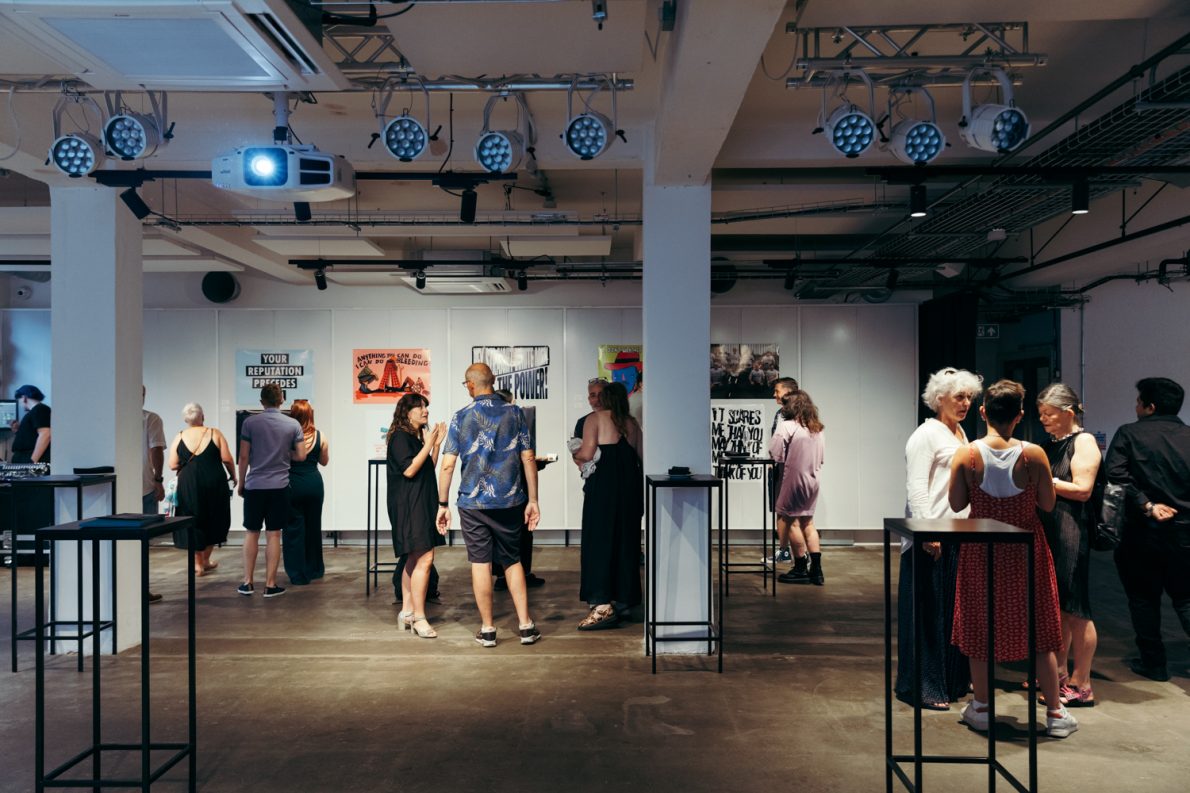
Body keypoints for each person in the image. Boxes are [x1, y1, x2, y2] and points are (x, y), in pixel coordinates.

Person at [947, 379, 1077, 739]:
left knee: (979, 626)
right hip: (1025, 550)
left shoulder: (968, 454)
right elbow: (1048, 504)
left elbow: (957, 504)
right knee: (1040, 632)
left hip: (981, 550)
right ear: (1020, 415)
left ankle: (983, 709)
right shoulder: (1033, 454)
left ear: (984, 412)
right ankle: (1054, 713)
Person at [437, 363, 541, 647]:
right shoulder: (515, 413)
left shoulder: (461, 417)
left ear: (470, 385)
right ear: (492, 382)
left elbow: (447, 466)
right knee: (512, 560)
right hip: (509, 500)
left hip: (473, 503)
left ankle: (488, 629)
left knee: (480, 562)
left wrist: (442, 503)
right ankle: (526, 625)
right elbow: (528, 458)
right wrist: (533, 500)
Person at [895, 367, 982, 711]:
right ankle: (922, 686)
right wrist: (925, 531)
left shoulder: (960, 435)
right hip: (932, 537)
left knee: (950, 613)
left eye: (970, 397)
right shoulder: (926, 435)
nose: (966, 403)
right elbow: (916, 486)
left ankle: (950, 681)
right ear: (939, 398)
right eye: (959, 397)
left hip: (958, 534)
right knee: (927, 615)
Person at [1105, 377, 1190, 683]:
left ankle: (1154, 664)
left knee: (1143, 598)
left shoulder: (1129, 434)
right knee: (1186, 597)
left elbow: (1115, 475)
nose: (1136, 406)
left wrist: (1146, 504)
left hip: (1141, 533)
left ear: (1150, 406)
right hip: (1185, 533)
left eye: (1139, 401)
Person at [1036, 383, 1102, 706]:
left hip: (1070, 530)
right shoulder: (1049, 444)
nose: (1043, 419)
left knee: (1076, 608)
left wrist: (1046, 482)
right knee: (1057, 606)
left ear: (1068, 412)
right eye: (1040, 414)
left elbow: (1083, 489)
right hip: (1049, 528)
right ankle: (1059, 673)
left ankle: (1082, 682)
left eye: (1048, 414)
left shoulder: (1084, 442)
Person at [573, 381, 643, 629]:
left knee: (598, 542)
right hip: (629, 490)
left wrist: (575, 453)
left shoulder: (594, 420)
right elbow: (641, 456)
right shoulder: (632, 423)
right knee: (626, 543)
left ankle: (601, 604)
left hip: (603, 490)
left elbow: (587, 453)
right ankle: (625, 600)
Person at [237, 384, 306, 599]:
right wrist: (286, 456)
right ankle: (270, 584)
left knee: (251, 532)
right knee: (274, 534)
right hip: (279, 486)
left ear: (261, 402)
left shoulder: (250, 423)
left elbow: (244, 457)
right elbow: (301, 456)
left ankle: (247, 582)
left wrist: (241, 483)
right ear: (281, 401)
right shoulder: (292, 424)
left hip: (255, 485)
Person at [387, 393, 446, 638]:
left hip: (419, 504)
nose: (425, 411)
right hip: (409, 507)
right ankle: (419, 617)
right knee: (424, 558)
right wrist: (430, 443)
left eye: (426, 407)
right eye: (420, 407)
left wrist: (436, 446)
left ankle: (407, 612)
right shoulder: (400, 437)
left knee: (413, 559)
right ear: (407, 412)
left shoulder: (413, 436)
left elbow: (426, 469)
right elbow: (410, 470)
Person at [168, 402, 234, 576]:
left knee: (193, 519)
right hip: (214, 480)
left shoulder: (179, 436)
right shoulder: (214, 433)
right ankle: (205, 559)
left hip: (188, 483)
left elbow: (172, 464)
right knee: (214, 517)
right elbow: (227, 459)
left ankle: (198, 564)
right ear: (202, 416)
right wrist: (234, 476)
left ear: (185, 419)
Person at [769, 390, 825, 584]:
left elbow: (775, 453)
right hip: (813, 480)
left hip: (793, 479)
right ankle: (816, 571)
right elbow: (822, 458)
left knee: (790, 520)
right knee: (808, 523)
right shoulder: (817, 428)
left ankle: (800, 566)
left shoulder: (787, 426)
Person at [493, 388, 546, 591]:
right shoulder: (517, 420)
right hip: (516, 488)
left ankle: (501, 575)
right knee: (521, 531)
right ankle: (519, 574)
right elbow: (526, 457)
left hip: (494, 490)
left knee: (498, 534)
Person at [283, 399, 330, 586]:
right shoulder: (321, 436)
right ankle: (315, 569)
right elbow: (324, 461)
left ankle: (297, 573)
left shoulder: (286, 436)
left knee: (293, 529)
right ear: (311, 414)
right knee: (312, 527)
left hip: (292, 485)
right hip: (313, 485)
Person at [765, 377, 799, 565]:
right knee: (782, 511)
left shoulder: (794, 415)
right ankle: (785, 551)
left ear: (787, 392)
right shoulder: (781, 413)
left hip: (788, 468)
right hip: (781, 467)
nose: (774, 395)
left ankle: (797, 554)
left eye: (777, 391)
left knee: (792, 514)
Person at [11, 384, 51, 464]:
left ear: (24, 398)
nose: (20, 404)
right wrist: (18, 431)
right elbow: (32, 437)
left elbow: (45, 434)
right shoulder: (35, 411)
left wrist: (32, 461)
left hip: (31, 461)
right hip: (24, 460)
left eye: (19, 400)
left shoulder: (40, 409)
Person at [142, 387, 166, 515]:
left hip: (119, 487)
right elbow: (156, 449)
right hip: (146, 485)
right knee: (147, 530)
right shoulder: (151, 418)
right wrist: (158, 480)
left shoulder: (115, 418)